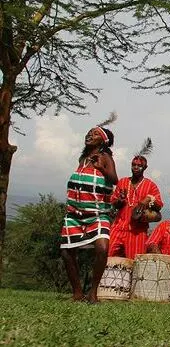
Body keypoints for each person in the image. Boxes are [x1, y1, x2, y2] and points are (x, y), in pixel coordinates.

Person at [60, 122, 118, 303]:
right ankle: (77, 293)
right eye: (89, 133)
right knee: (67, 252)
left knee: (102, 249)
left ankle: (93, 292)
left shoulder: (105, 157)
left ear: (103, 141)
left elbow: (114, 179)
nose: (89, 135)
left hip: (98, 214)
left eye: (95, 134)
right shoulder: (83, 159)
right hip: (75, 214)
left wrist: (101, 169)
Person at [109, 144, 163, 259]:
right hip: (118, 227)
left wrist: (149, 199)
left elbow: (159, 205)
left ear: (145, 167)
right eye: (133, 165)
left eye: (139, 165)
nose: (136, 167)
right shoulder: (123, 182)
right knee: (108, 258)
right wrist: (120, 201)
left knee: (134, 262)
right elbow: (113, 202)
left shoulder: (150, 185)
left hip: (137, 231)